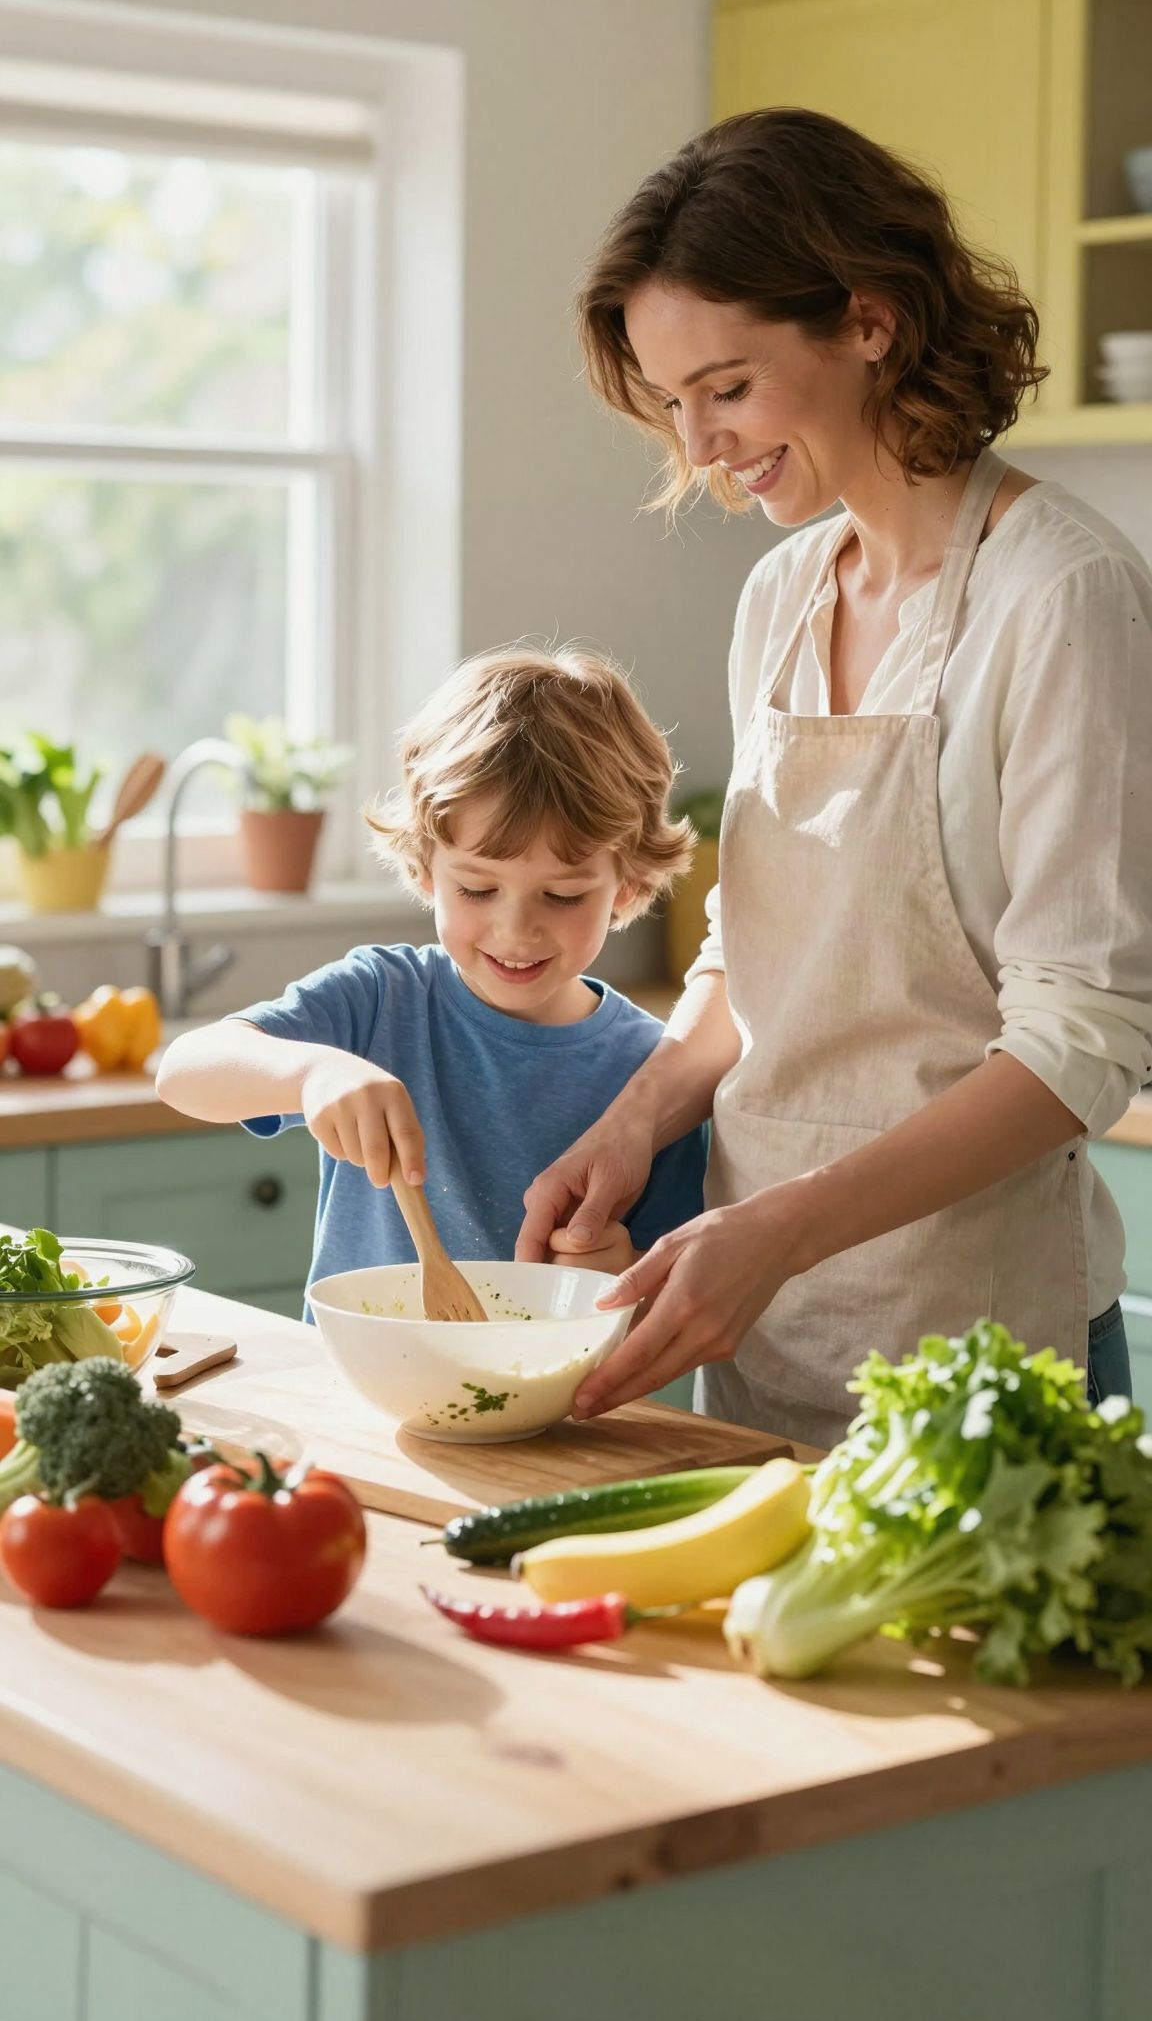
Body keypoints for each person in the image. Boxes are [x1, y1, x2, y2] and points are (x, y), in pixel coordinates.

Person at [517, 107, 1152, 1448]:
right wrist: (637, 1121)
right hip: (762, 1326)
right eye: (674, 403)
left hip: (988, 1343)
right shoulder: (782, 593)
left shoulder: (1063, 593)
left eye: (728, 387)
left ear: (870, 320)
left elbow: (1081, 1041)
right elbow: (755, 958)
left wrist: (781, 1230)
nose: (701, 445)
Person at [156, 646, 708, 1306]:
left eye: (562, 896)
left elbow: (676, 1294)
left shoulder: (658, 1077)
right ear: (424, 869)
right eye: (477, 888)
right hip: (355, 1370)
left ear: (629, 886)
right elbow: (183, 1071)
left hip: (558, 1377)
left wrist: (622, 1272)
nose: (516, 930)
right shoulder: (379, 999)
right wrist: (312, 1074)